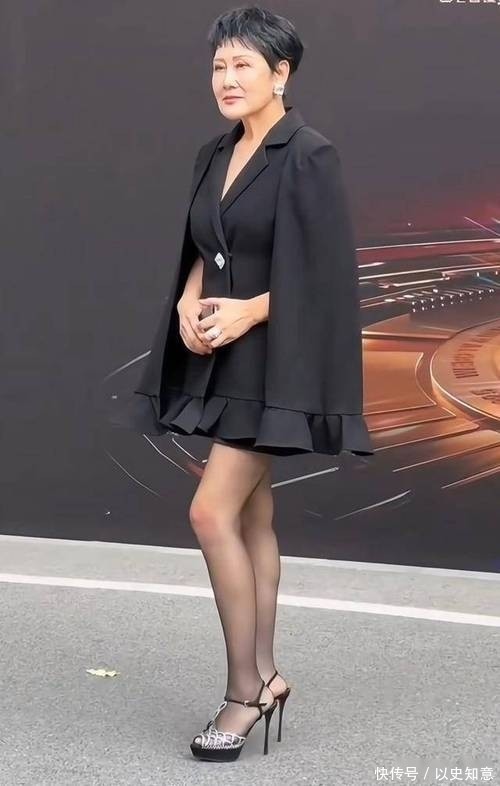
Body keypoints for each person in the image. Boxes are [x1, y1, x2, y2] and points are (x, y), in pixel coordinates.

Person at [117, 4, 374, 763]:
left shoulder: (309, 154)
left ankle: (243, 692)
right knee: (254, 521)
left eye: (243, 66)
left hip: (275, 361)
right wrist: (189, 300)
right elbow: (207, 243)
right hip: (222, 361)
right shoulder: (215, 152)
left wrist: (251, 311)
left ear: (280, 73)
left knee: (210, 513)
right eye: (219, 66)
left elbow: (327, 275)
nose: (227, 79)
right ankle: (267, 677)